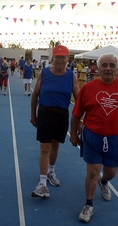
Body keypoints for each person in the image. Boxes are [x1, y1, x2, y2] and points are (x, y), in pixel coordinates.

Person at [69, 53, 118, 223]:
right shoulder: (88, 88)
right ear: (98, 68)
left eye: (112, 65)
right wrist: (74, 134)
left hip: (115, 138)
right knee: (92, 171)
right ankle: (88, 205)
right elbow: (76, 114)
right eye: (104, 65)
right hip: (92, 136)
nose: (108, 68)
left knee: (111, 171)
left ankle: (104, 182)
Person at [30, 45, 80, 198]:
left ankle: (51, 171)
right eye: (57, 57)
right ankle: (42, 184)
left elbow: (79, 99)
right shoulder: (44, 74)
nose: (60, 60)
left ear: (67, 58)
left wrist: (81, 120)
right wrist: (33, 115)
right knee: (45, 147)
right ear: (53, 58)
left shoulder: (71, 76)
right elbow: (35, 95)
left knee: (55, 145)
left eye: (63, 57)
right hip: (45, 113)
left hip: (62, 114)